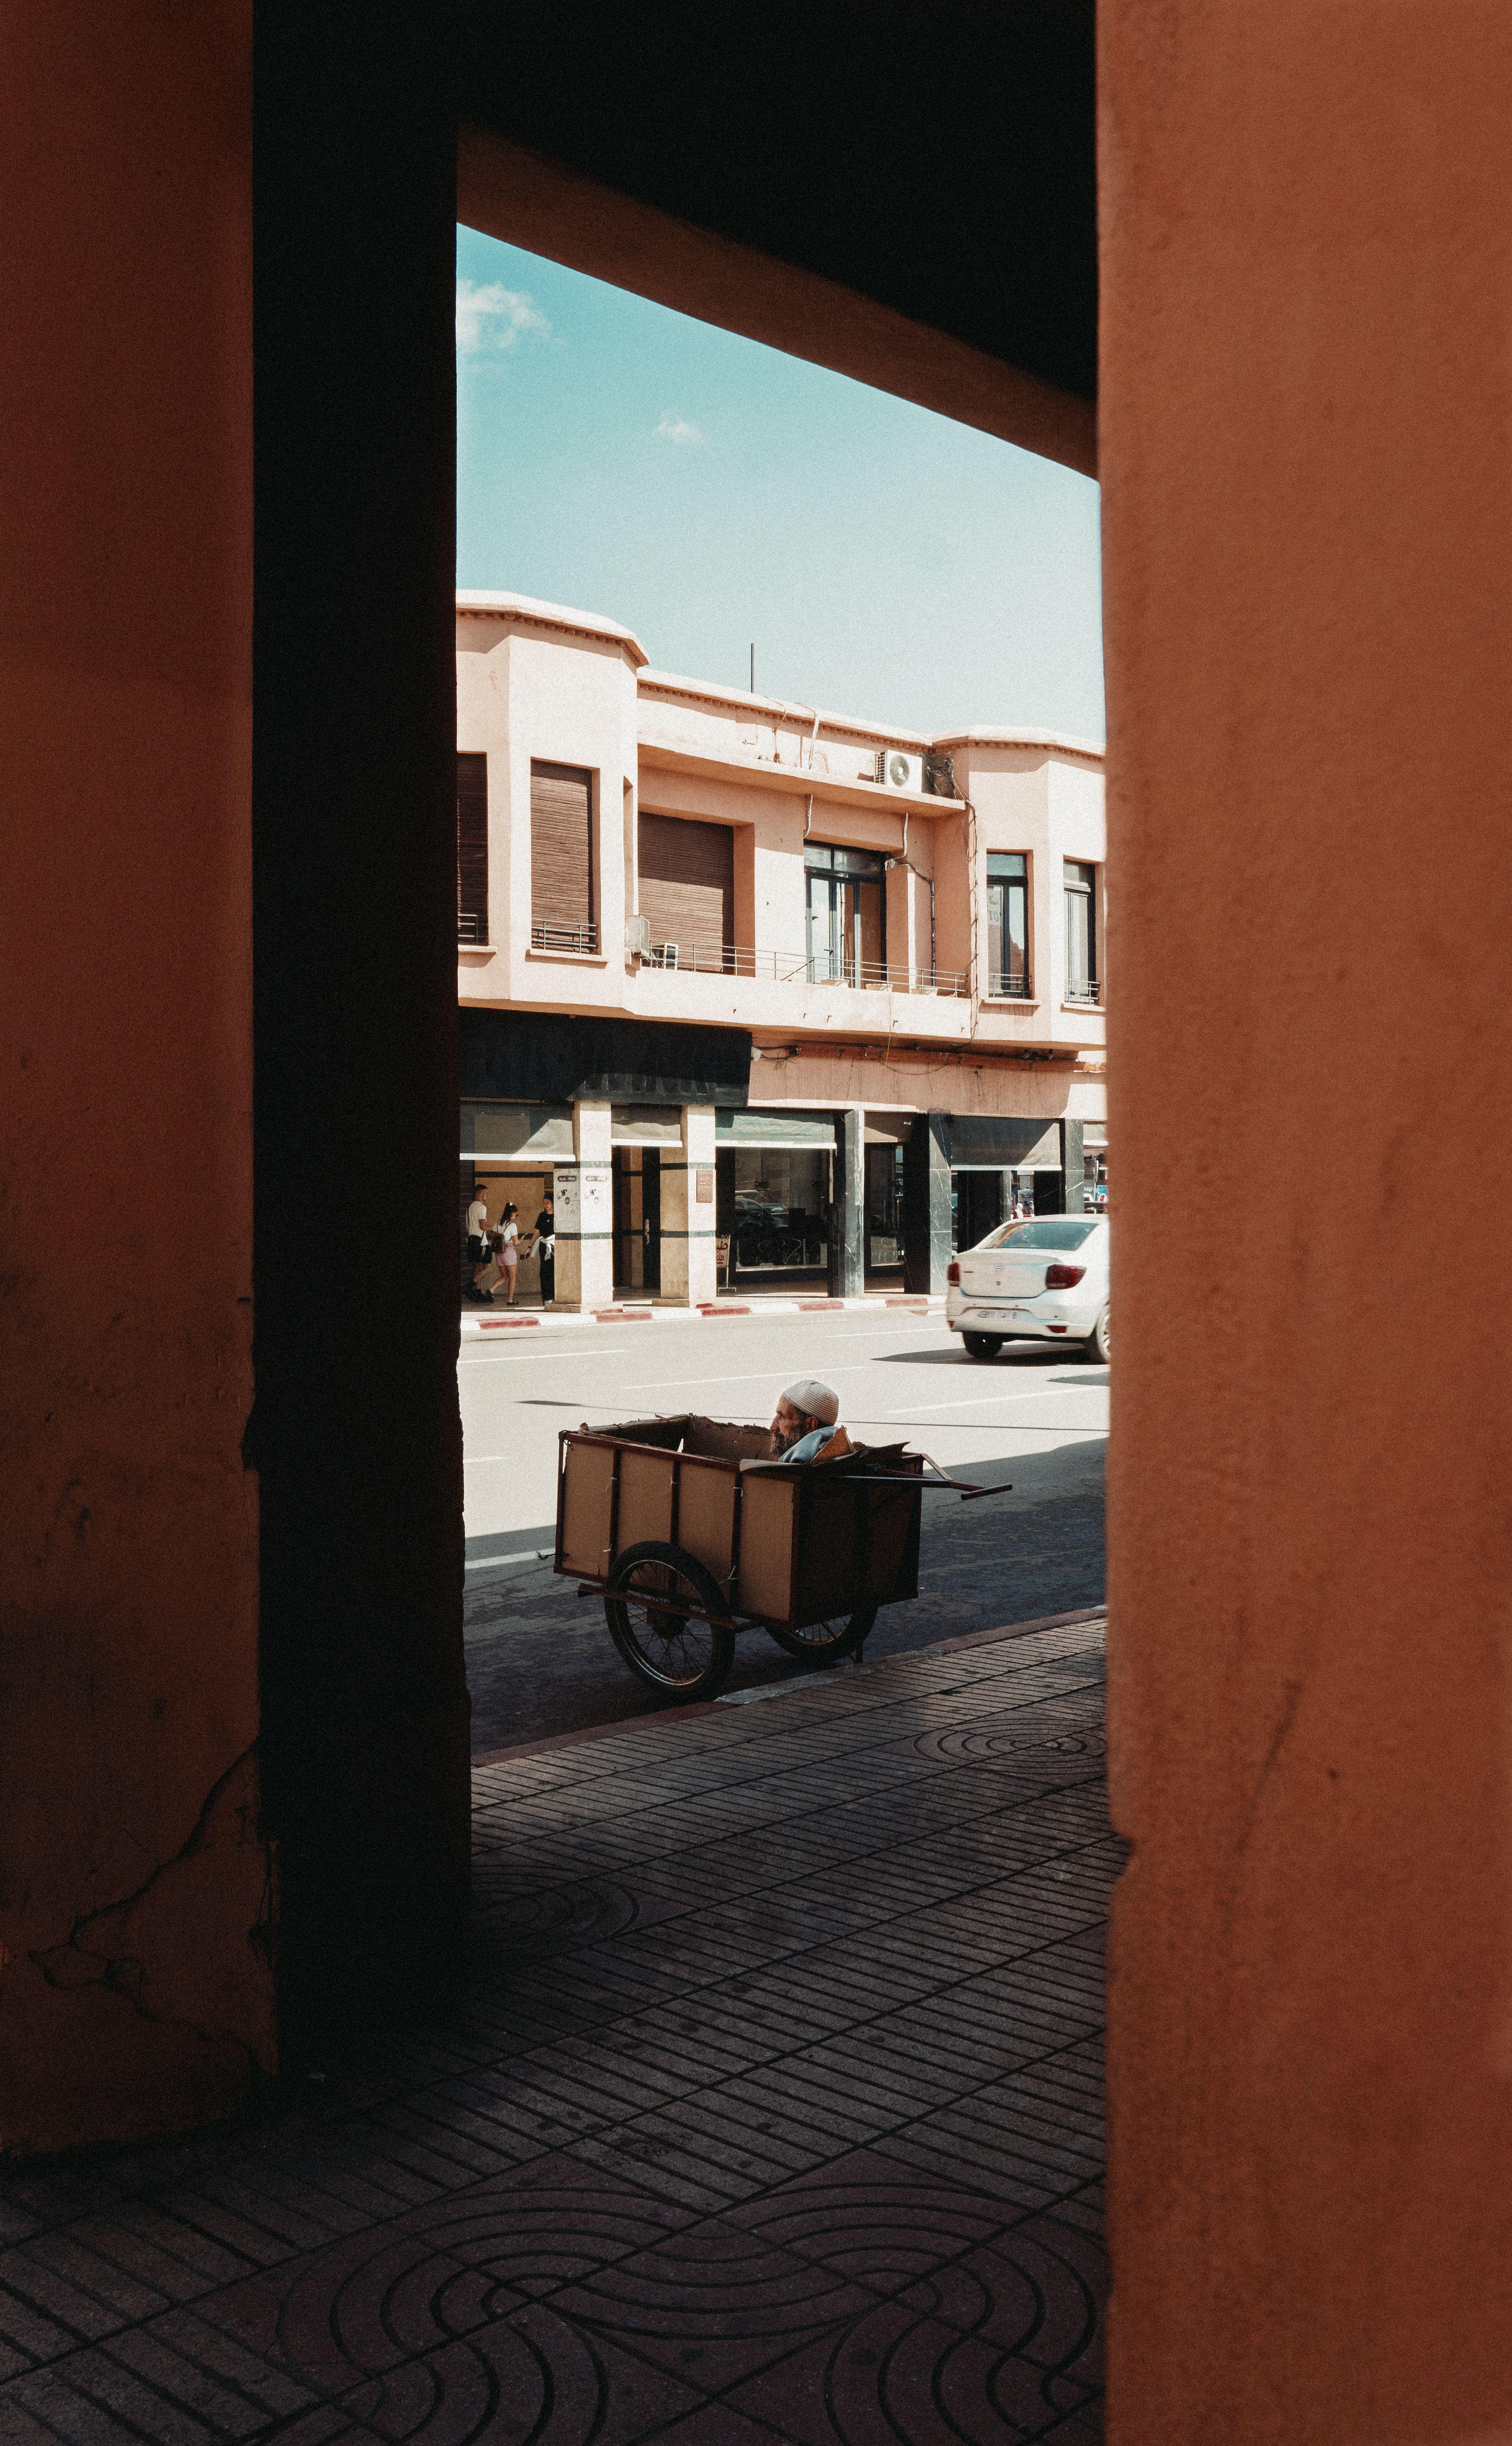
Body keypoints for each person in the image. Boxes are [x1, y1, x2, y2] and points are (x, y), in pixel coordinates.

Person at [769, 1376, 850, 1464]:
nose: (773, 1427)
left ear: (810, 1425)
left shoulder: (798, 1469)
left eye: (783, 1417)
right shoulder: (841, 1460)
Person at [525, 1192, 555, 1305]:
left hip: (555, 1247)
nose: (546, 1205)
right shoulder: (542, 1216)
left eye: (548, 1203)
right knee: (545, 1272)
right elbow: (537, 1232)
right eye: (544, 1203)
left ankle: (554, 1297)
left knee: (553, 1272)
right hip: (544, 1247)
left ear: (553, 1203)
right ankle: (547, 1298)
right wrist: (530, 1246)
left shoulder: (558, 1216)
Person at [464, 1185, 492, 1301]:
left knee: (478, 1267)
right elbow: (483, 1226)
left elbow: (467, 1227)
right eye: (486, 1193)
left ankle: (478, 1292)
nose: (487, 1195)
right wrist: (493, 1229)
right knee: (488, 1268)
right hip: (482, 1243)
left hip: (471, 1242)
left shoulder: (470, 1208)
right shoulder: (482, 1208)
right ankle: (470, 1286)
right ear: (480, 1193)